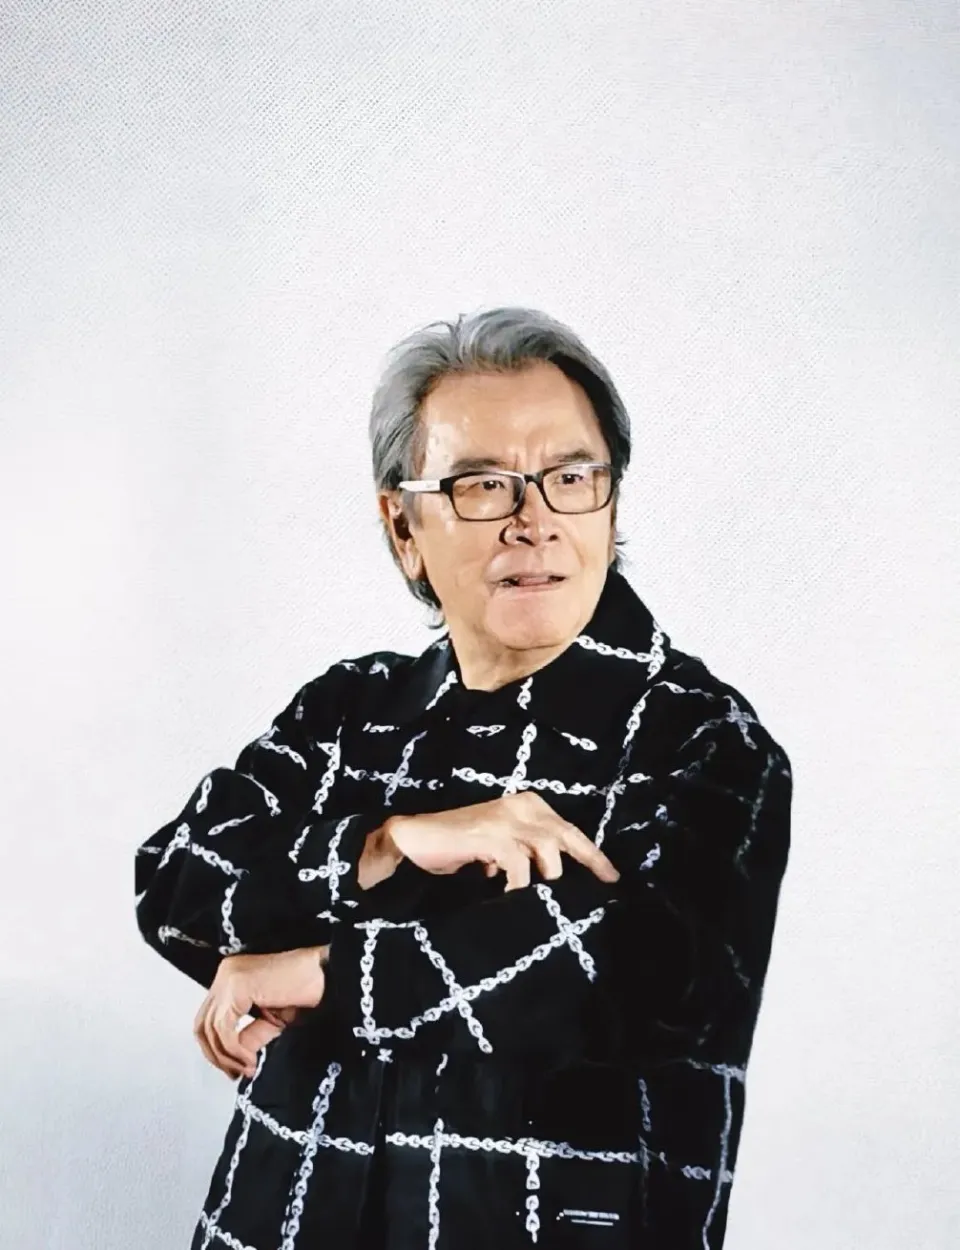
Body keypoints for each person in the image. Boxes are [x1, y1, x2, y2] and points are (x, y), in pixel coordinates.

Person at [135, 306, 792, 1250]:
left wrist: (322, 972)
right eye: (482, 485)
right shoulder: (348, 709)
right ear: (402, 525)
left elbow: (637, 976)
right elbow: (175, 885)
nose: (535, 523)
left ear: (611, 504)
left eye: (571, 477)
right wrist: (384, 844)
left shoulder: (703, 740)